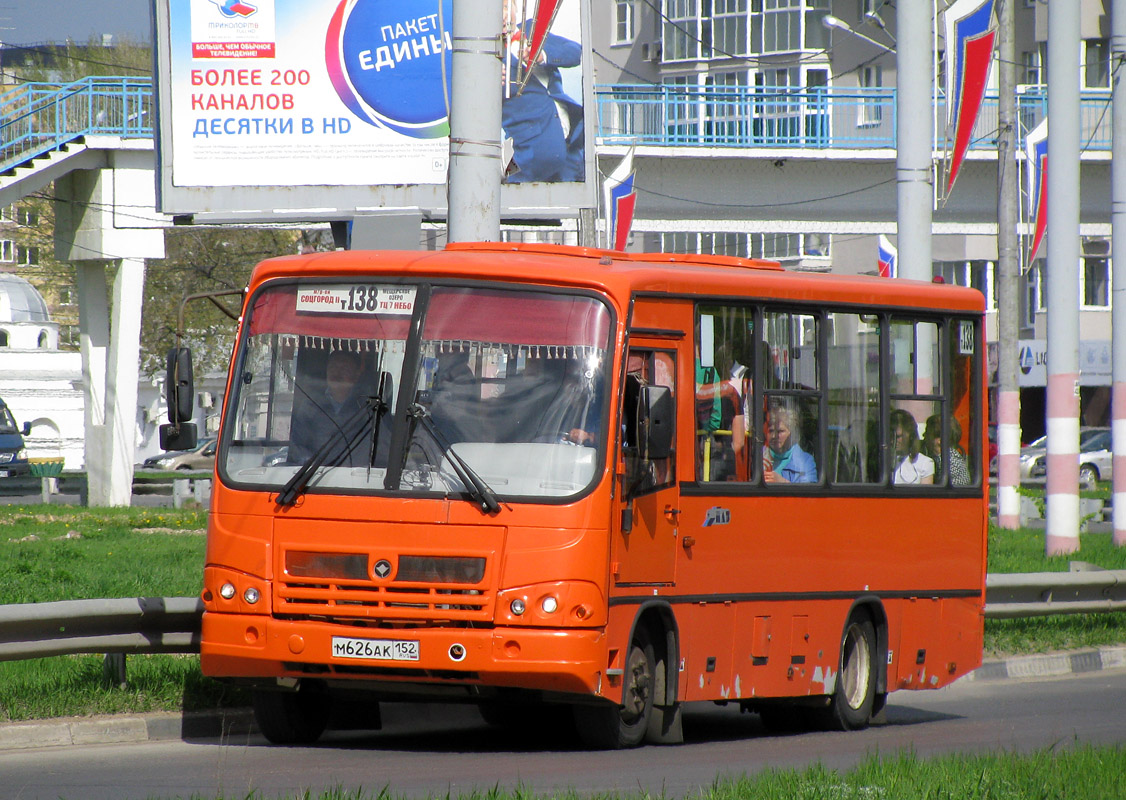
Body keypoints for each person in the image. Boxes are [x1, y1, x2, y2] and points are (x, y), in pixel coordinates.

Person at [501, 0, 584, 183]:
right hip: (532, 155)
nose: (503, 15)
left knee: (574, 209)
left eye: (506, 7)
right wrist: (486, 80)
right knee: (519, 206)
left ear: (516, 8)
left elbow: (576, 52)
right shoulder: (487, 56)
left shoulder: (532, 28)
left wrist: (543, 54)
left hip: (571, 149)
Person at [290, 350, 384, 467]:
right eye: (333, 367)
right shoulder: (311, 405)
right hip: (313, 477)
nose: (337, 372)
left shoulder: (368, 408)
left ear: (356, 374)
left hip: (355, 478)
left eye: (344, 368)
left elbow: (380, 448)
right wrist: (310, 464)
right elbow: (297, 445)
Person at [763, 400, 817, 484]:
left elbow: (809, 494)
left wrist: (783, 483)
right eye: (771, 431)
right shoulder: (757, 457)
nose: (774, 436)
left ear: (791, 433)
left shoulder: (805, 461)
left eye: (780, 431)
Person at [923, 414, 971, 486]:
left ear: (940, 440)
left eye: (927, 432)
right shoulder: (939, 457)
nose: (924, 435)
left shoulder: (951, 463)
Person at [891, 408, 934, 485]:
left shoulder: (925, 463)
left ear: (910, 436)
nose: (893, 441)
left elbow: (925, 494)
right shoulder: (883, 461)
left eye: (898, 436)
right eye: (891, 436)